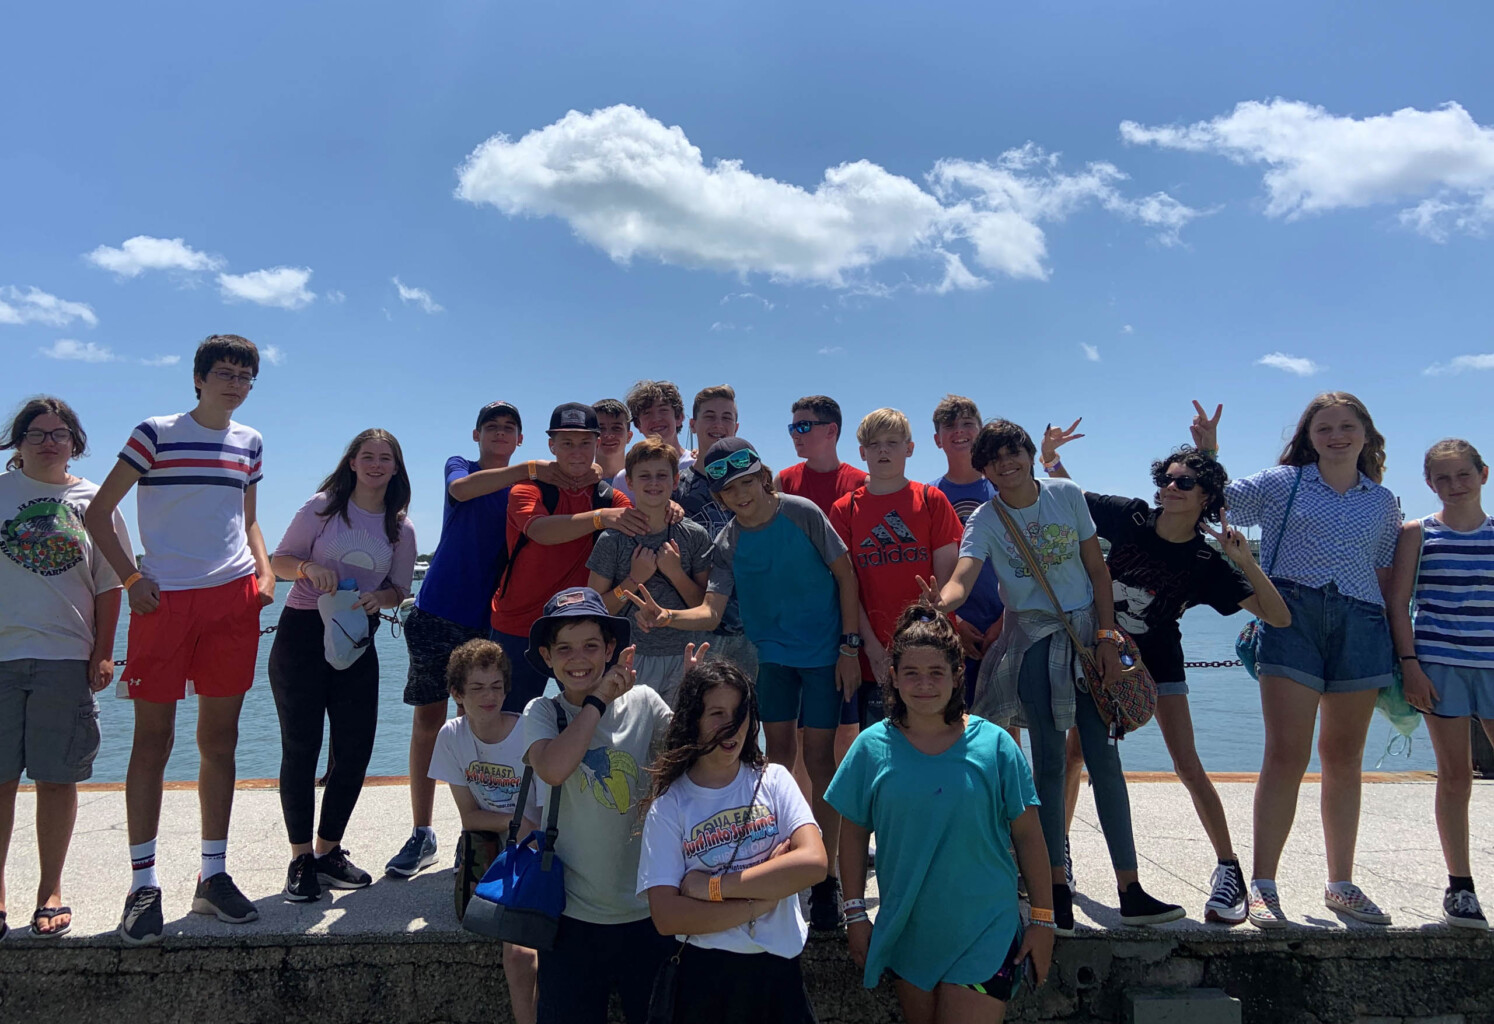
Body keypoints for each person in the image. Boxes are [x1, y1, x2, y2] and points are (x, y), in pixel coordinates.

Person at [919, 419, 1183, 933]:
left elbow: (1097, 570)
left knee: (1105, 761)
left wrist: (1107, 636)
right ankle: (1054, 886)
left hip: (1088, 638)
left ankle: (1130, 887)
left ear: (1029, 453)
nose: (1006, 464)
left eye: (1013, 452)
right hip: (1035, 643)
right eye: (994, 459)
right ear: (986, 469)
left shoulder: (1066, 495)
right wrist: (940, 604)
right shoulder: (988, 518)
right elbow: (963, 575)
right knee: (1046, 762)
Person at [1040, 410, 1291, 925]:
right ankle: (1058, 853)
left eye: (1186, 482)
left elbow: (1278, 616)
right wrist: (1049, 456)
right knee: (1073, 756)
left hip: (1161, 660)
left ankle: (1229, 870)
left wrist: (1245, 560)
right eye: (1167, 478)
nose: (1172, 487)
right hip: (1102, 652)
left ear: (1206, 497)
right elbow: (1066, 493)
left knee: (1187, 765)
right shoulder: (1130, 516)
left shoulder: (1205, 562)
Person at [84, 334, 276, 945]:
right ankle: (143, 885)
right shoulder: (155, 433)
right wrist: (132, 577)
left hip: (233, 598)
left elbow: (247, 519)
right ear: (198, 378)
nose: (235, 383)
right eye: (224, 372)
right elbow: (98, 512)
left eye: (245, 375)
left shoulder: (250, 442)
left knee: (220, 740)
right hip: (162, 599)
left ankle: (211, 877)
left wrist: (265, 571)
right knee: (152, 741)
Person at [628, 437, 862, 932]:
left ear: (764, 477)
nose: (741, 494)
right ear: (719, 498)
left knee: (821, 761)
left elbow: (846, 577)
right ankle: (773, 861)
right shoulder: (727, 543)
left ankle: (827, 882)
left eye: (746, 482)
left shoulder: (802, 513)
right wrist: (667, 615)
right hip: (772, 661)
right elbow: (712, 611)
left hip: (824, 658)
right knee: (775, 762)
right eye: (728, 490)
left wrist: (849, 647)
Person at [390, 402, 596, 879]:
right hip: (439, 611)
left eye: (509, 428)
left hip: (493, 619)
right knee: (429, 721)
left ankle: (485, 829)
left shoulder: (534, 486)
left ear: (522, 438)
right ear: (477, 434)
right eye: (492, 428)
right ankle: (422, 831)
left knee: (483, 725)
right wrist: (530, 468)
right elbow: (461, 491)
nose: (500, 434)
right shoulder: (463, 467)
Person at [1221, 391, 1402, 929]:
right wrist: (1208, 447)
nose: (1337, 436)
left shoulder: (1383, 501)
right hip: (1290, 616)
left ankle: (1341, 884)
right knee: (1286, 755)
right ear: (1308, 437)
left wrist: (1402, 650)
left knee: (1344, 758)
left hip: (1363, 622)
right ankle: (1263, 885)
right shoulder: (1283, 484)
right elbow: (1218, 500)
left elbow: (1389, 575)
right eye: (1324, 428)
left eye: (1347, 426)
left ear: (1366, 434)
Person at [826, 606, 1054, 1024]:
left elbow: (1029, 836)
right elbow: (854, 833)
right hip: (909, 930)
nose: (924, 684)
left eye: (936, 672)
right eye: (911, 672)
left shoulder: (997, 745)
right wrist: (855, 913)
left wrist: (1043, 919)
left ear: (956, 676)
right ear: (893, 676)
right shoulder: (869, 748)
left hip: (986, 928)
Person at [0, 397, 131, 939]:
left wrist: (103, 651)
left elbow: (109, 584)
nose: (49, 441)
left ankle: (49, 890)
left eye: (60, 433)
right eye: (36, 433)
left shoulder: (92, 501)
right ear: (18, 441)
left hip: (64, 658)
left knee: (57, 779)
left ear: (75, 442)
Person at [267, 428, 417, 900]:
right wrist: (310, 568)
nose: (376, 464)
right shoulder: (323, 506)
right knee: (302, 747)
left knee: (354, 750)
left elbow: (399, 588)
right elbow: (279, 560)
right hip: (302, 633)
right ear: (352, 462)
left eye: (385, 458)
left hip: (357, 638)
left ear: (396, 467)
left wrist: (382, 597)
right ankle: (300, 860)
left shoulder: (401, 527)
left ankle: (328, 850)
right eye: (367, 456)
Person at [638, 660, 828, 1024]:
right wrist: (761, 901)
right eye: (717, 713)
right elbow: (666, 915)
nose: (731, 727)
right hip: (706, 979)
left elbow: (814, 863)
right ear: (693, 718)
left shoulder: (774, 780)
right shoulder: (670, 806)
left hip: (780, 976)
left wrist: (710, 888)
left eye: (739, 714)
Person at [521, 587, 674, 1024]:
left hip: (648, 912)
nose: (579, 658)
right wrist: (596, 702)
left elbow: (692, 755)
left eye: (591, 646)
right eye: (564, 649)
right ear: (547, 657)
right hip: (571, 917)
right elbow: (553, 768)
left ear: (611, 650)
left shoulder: (644, 702)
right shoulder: (542, 711)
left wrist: (697, 694)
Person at [1388, 438, 1494, 930]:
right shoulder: (1418, 533)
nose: (1454, 486)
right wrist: (1411, 665)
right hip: (1439, 666)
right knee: (1456, 777)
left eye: (1463, 475)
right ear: (1430, 483)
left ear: (1483, 475)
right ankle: (1461, 887)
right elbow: (1400, 602)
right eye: (1443, 478)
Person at [489, 403, 644, 717]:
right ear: (551, 445)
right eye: (567, 443)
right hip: (517, 625)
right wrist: (600, 518)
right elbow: (541, 531)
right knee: (507, 722)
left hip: (580, 633)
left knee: (592, 721)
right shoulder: (527, 488)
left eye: (585, 442)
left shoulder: (610, 497)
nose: (577, 451)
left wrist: (670, 509)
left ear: (597, 444)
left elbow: (641, 522)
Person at [429, 638, 541, 1023]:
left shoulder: (529, 733)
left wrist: (527, 830)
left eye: (496, 686)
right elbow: (468, 817)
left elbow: (546, 817)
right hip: (495, 840)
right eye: (476, 688)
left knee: (521, 949)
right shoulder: (450, 736)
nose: (488, 696)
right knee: (515, 948)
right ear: (457, 694)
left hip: (535, 846)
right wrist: (513, 823)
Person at [830, 408, 963, 725]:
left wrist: (926, 633)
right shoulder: (844, 510)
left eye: (892, 442)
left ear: (910, 448)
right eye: (874, 444)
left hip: (934, 653)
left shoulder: (933, 500)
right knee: (885, 754)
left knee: (942, 744)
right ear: (862, 453)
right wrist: (874, 652)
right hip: (873, 658)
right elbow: (847, 588)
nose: (883, 450)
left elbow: (946, 584)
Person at [587, 438, 714, 707]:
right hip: (629, 659)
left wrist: (676, 573)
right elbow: (596, 610)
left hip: (685, 658)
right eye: (644, 476)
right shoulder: (612, 539)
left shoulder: (694, 536)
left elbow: (704, 609)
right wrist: (632, 581)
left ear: (676, 480)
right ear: (630, 482)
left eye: (661, 475)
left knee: (679, 744)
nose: (653, 483)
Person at [675, 385, 759, 680]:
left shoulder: (756, 487)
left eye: (726, 417)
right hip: (697, 628)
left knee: (749, 718)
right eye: (709, 416)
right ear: (693, 425)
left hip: (754, 628)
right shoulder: (676, 490)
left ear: (736, 426)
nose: (718, 425)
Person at [928, 395, 1006, 705]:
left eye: (967, 424)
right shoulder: (929, 495)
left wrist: (1005, 623)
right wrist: (954, 621)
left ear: (981, 431)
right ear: (937, 440)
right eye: (950, 426)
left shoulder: (1004, 489)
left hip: (1006, 621)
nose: (959, 431)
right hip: (952, 624)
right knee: (954, 713)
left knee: (1004, 719)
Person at [776, 395, 867, 516]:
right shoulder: (783, 482)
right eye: (792, 428)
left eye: (803, 426)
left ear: (831, 430)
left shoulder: (863, 485)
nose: (794, 435)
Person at [613, 381, 693, 497]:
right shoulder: (624, 479)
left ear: (679, 418)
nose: (656, 418)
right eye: (647, 413)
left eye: (663, 410)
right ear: (638, 425)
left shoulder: (696, 465)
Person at [593, 398, 633, 482]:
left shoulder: (642, 481)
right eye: (600, 428)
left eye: (616, 428)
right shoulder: (573, 482)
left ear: (629, 437)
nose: (608, 435)